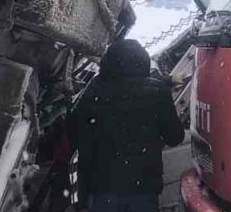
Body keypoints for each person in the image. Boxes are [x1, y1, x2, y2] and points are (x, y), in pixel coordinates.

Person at [71, 39, 185, 212]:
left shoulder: (93, 90)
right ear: (144, 62)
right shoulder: (158, 91)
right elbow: (175, 137)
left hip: (103, 187)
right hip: (144, 188)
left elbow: (78, 136)